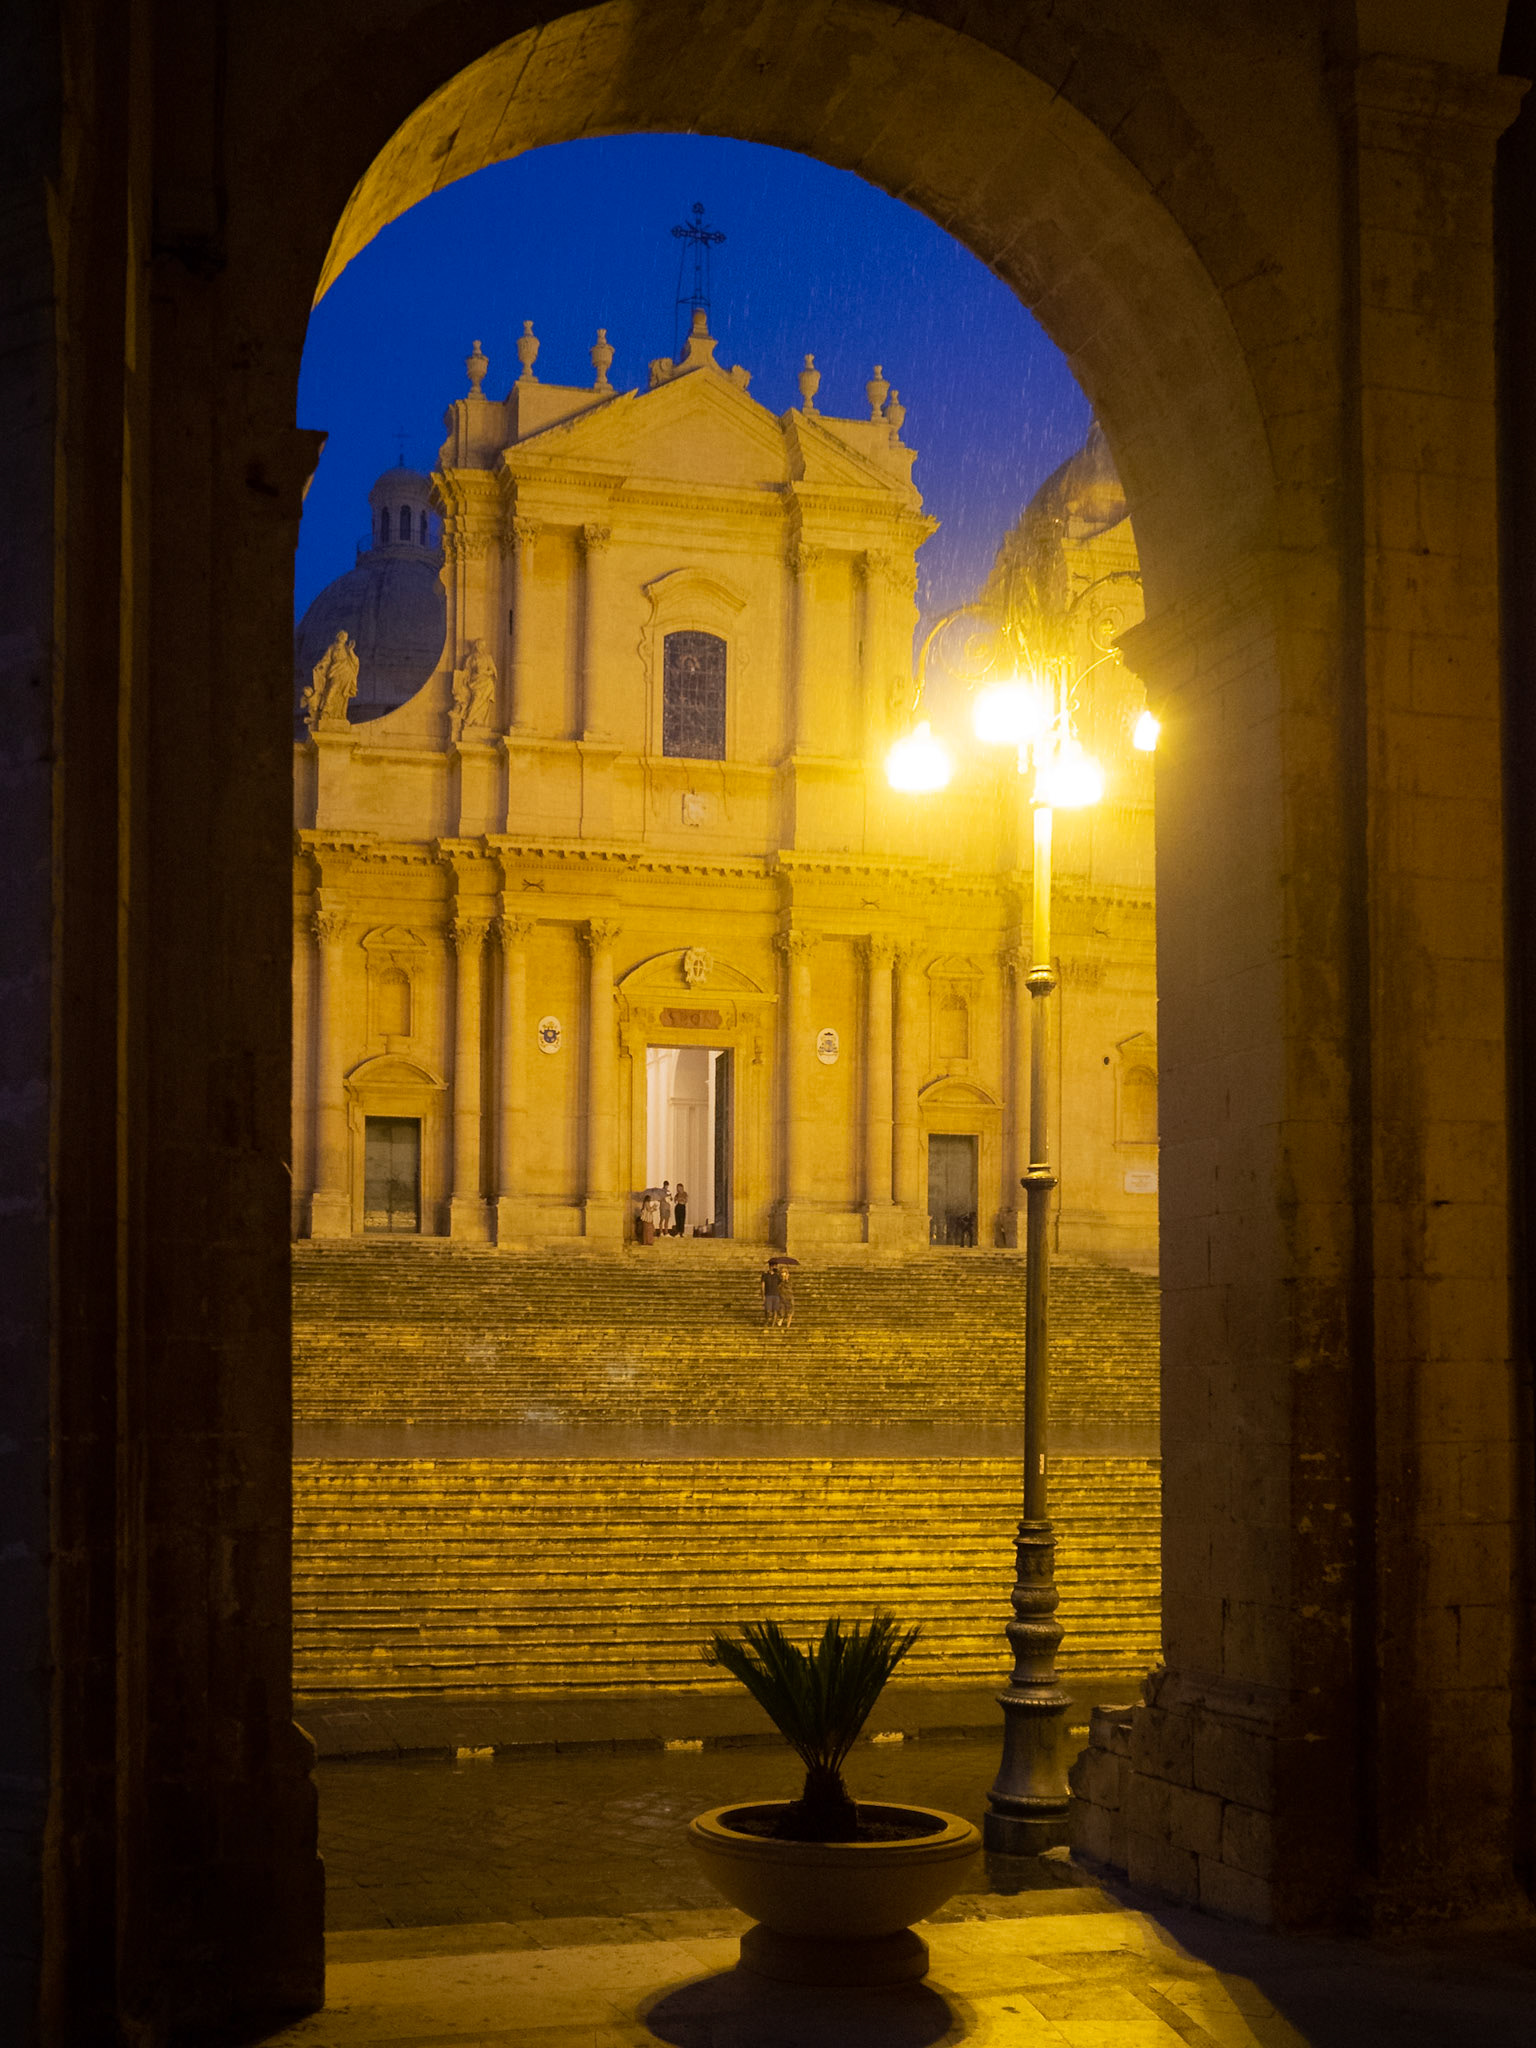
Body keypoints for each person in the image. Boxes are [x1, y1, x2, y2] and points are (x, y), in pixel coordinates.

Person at [760, 1260, 783, 1327]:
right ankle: (766, 1322)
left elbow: (780, 1284)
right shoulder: (765, 1275)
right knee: (768, 1310)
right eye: (774, 1266)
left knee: (775, 1310)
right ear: (770, 1266)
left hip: (776, 1295)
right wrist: (763, 1295)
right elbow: (762, 1285)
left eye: (776, 1266)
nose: (775, 1267)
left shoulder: (777, 1276)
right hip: (768, 1294)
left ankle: (773, 1324)